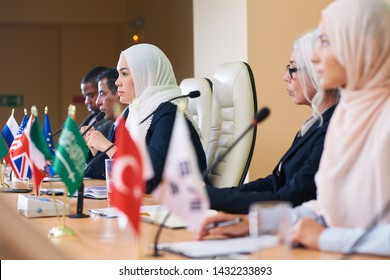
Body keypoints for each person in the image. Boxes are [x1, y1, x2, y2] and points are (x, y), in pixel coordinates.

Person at [199, 0, 390, 257]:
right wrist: (255, 225)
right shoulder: (349, 115)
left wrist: (326, 238)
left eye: (325, 42)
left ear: (363, 45)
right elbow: (324, 208)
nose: (314, 57)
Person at [205, 30, 339, 214]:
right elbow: (275, 182)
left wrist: (212, 198)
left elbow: (289, 199)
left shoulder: (333, 129)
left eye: (292, 69)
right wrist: (217, 195)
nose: (286, 77)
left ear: (318, 72)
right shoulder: (314, 124)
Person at [86, 43, 207, 193]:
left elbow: (150, 181)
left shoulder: (169, 114)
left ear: (145, 75)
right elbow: (112, 173)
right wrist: (96, 150)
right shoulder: (131, 113)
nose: (117, 82)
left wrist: (107, 147)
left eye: (124, 74)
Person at [83, 68, 125, 179]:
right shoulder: (115, 125)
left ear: (119, 94)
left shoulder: (130, 125)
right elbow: (104, 170)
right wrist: (94, 150)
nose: (98, 101)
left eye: (102, 94)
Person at [80, 66, 112, 138]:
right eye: (85, 96)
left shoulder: (111, 121)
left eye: (91, 95)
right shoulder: (92, 118)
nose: (87, 101)